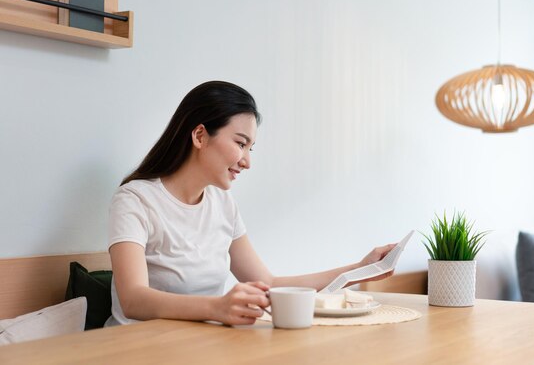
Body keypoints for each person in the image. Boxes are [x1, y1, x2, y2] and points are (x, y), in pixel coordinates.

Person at [105, 80, 395, 326]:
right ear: (200, 135)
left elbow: (269, 283)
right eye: (240, 143)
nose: (247, 161)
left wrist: (359, 269)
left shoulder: (223, 204)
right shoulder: (136, 200)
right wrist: (217, 308)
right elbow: (133, 299)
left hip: (198, 347)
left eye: (250, 148)